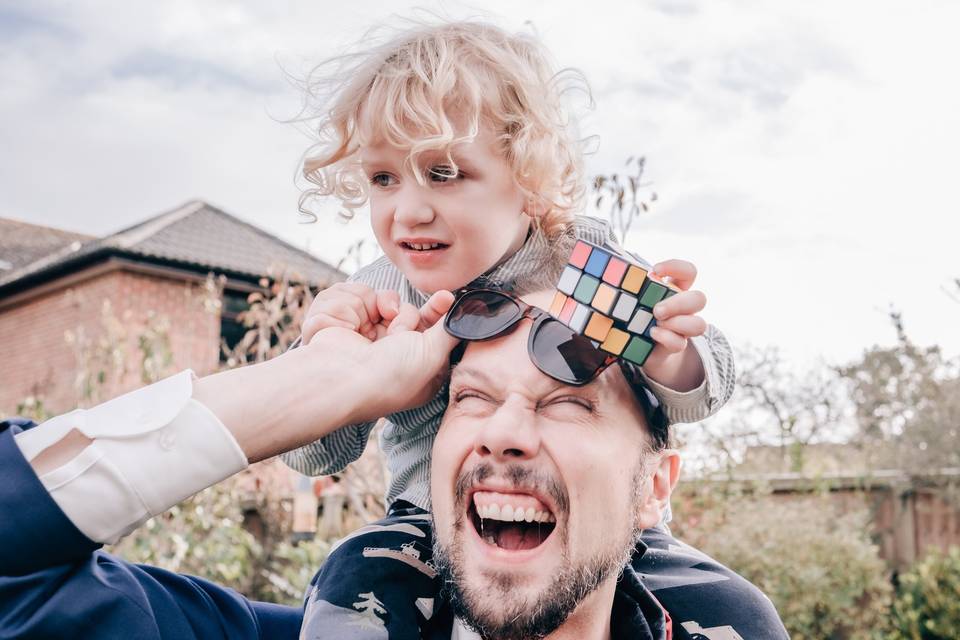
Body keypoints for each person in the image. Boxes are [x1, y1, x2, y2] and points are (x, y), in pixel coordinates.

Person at [282, 19, 737, 639]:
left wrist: (674, 359)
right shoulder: (379, 297)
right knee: (351, 587)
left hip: (607, 530)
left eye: (443, 173)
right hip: (426, 523)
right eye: (384, 178)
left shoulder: (580, 261)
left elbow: (707, 389)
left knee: (728, 607)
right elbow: (315, 455)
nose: (407, 210)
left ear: (528, 182)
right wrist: (322, 369)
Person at [0, 289, 787, 640]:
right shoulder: (339, 630)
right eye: (470, 399)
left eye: (567, 402)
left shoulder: (726, 628)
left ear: (655, 488)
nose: (503, 433)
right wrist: (326, 383)